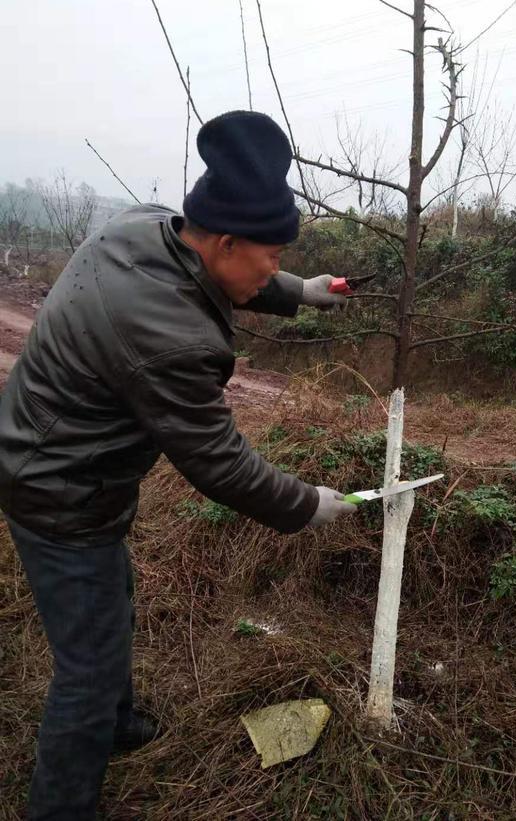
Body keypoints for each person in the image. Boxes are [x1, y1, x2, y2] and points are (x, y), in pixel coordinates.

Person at [0, 110, 357, 820]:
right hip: (56, 488)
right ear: (224, 240)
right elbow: (220, 464)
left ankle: (117, 720)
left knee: (111, 596)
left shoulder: (150, 224)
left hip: (57, 458)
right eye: (270, 257)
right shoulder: (169, 338)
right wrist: (305, 503)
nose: (272, 268)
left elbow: (239, 274)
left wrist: (302, 289)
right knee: (86, 672)